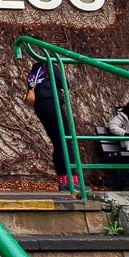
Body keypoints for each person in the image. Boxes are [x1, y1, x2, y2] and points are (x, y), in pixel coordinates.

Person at [26, 56, 76, 191]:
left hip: (40, 106)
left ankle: (63, 180)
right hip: (52, 103)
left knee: (58, 142)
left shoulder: (34, 71)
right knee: (66, 141)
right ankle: (73, 181)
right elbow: (64, 84)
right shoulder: (49, 65)